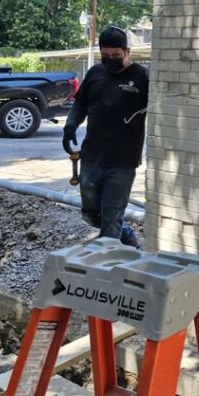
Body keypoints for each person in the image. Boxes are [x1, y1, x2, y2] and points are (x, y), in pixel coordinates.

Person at [62, 25, 149, 248]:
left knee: (110, 221)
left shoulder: (142, 77)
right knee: (91, 213)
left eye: (116, 55)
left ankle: (107, 274)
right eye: (106, 55)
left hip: (123, 162)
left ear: (127, 52)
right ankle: (128, 237)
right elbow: (81, 103)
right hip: (92, 157)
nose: (110, 59)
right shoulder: (95, 73)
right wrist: (70, 125)